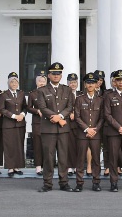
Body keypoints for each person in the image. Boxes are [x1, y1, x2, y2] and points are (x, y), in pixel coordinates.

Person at [36, 62, 74, 192]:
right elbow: (42, 107)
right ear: (49, 75)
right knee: (48, 157)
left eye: (58, 74)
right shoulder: (42, 90)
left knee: (63, 157)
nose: (56, 76)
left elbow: (70, 107)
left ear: (61, 75)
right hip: (48, 129)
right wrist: (57, 118)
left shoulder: (67, 90)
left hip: (63, 130)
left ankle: (64, 183)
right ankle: (47, 184)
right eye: (53, 73)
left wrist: (61, 117)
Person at [73, 72, 104, 192]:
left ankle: (96, 182)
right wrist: (87, 129)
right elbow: (77, 116)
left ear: (97, 84)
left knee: (96, 159)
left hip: (96, 134)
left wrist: (95, 129)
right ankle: (79, 183)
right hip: (83, 133)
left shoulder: (101, 100)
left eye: (92, 82)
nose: (90, 85)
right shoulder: (79, 99)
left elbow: (102, 117)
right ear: (85, 84)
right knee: (80, 159)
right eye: (88, 83)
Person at [0, 72, 27, 176]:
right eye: (12, 82)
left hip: (20, 124)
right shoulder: (4, 95)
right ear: (8, 83)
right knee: (9, 146)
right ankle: (10, 168)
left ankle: (17, 167)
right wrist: (14, 116)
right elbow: (1, 109)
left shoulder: (21, 93)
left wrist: (22, 115)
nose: (14, 84)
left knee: (19, 145)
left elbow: (25, 106)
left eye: (16, 82)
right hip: (8, 124)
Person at [27, 71, 47, 175]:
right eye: (40, 81)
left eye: (43, 81)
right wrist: (37, 111)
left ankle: (46, 165)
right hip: (37, 123)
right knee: (38, 144)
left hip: (48, 123)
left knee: (47, 145)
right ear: (36, 82)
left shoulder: (49, 93)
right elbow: (29, 107)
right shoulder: (32, 94)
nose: (42, 83)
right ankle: (38, 166)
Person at [67, 73, 81, 176]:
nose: (73, 84)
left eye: (75, 82)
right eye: (71, 82)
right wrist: (70, 114)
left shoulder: (81, 94)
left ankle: (78, 166)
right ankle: (69, 167)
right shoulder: (65, 93)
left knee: (79, 146)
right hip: (68, 122)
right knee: (69, 146)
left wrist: (76, 114)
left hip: (80, 124)